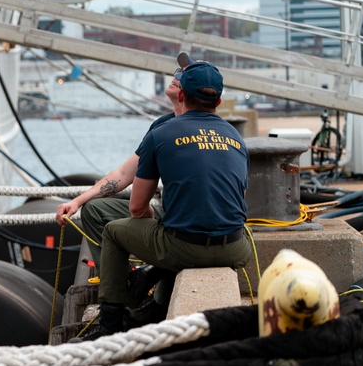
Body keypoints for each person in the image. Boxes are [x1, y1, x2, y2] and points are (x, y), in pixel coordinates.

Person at [81, 57, 252, 340]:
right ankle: (152, 298)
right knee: (174, 225)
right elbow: (237, 201)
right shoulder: (234, 136)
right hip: (236, 248)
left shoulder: (161, 134)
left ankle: (110, 325)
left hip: (187, 247)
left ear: (182, 95)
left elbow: (136, 208)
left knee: (114, 232)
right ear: (219, 103)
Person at [55, 59, 187, 267]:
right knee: (94, 209)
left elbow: (138, 207)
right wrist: (77, 201)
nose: (176, 75)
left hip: (183, 227)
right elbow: (124, 174)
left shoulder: (181, 129)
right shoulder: (161, 125)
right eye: (177, 70)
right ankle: (121, 278)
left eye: (183, 74)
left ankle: (119, 288)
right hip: (169, 218)